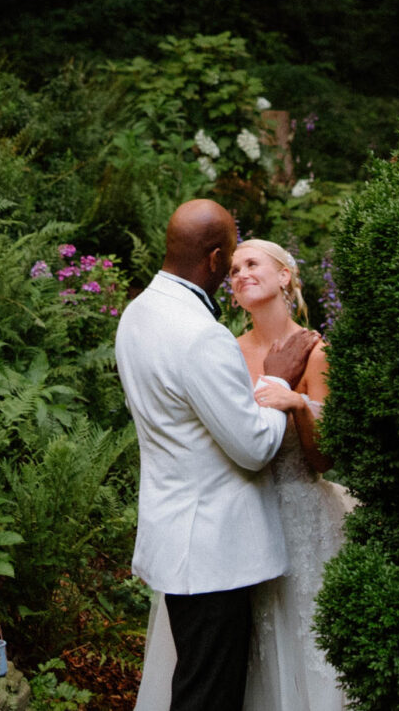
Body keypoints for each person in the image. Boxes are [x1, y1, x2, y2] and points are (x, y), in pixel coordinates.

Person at [118, 200, 321, 711]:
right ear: (212, 261)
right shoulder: (203, 336)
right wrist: (278, 379)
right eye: (230, 259)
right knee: (208, 694)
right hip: (212, 550)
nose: (235, 270)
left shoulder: (137, 313)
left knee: (197, 682)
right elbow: (253, 448)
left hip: (178, 536)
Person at [232, 238, 354, 711]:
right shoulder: (226, 351)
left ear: (285, 275)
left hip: (303, 515)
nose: (240, 273)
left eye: (252, 263)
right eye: (235, 268)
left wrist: (299, 402)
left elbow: (325, 460)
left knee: (305, 633)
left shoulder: (318, 351)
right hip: (247, 511)